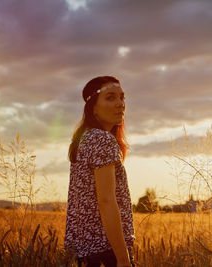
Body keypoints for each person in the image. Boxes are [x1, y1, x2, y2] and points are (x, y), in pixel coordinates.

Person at [65, 76, 135, 267]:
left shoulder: (85, 137)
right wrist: (122, 258)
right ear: (93, 107)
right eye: (110, 98)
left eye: (122, 97)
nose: (120, 104)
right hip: (105, 251)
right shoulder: (102, 140)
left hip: (84, 251)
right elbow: (106, 201)